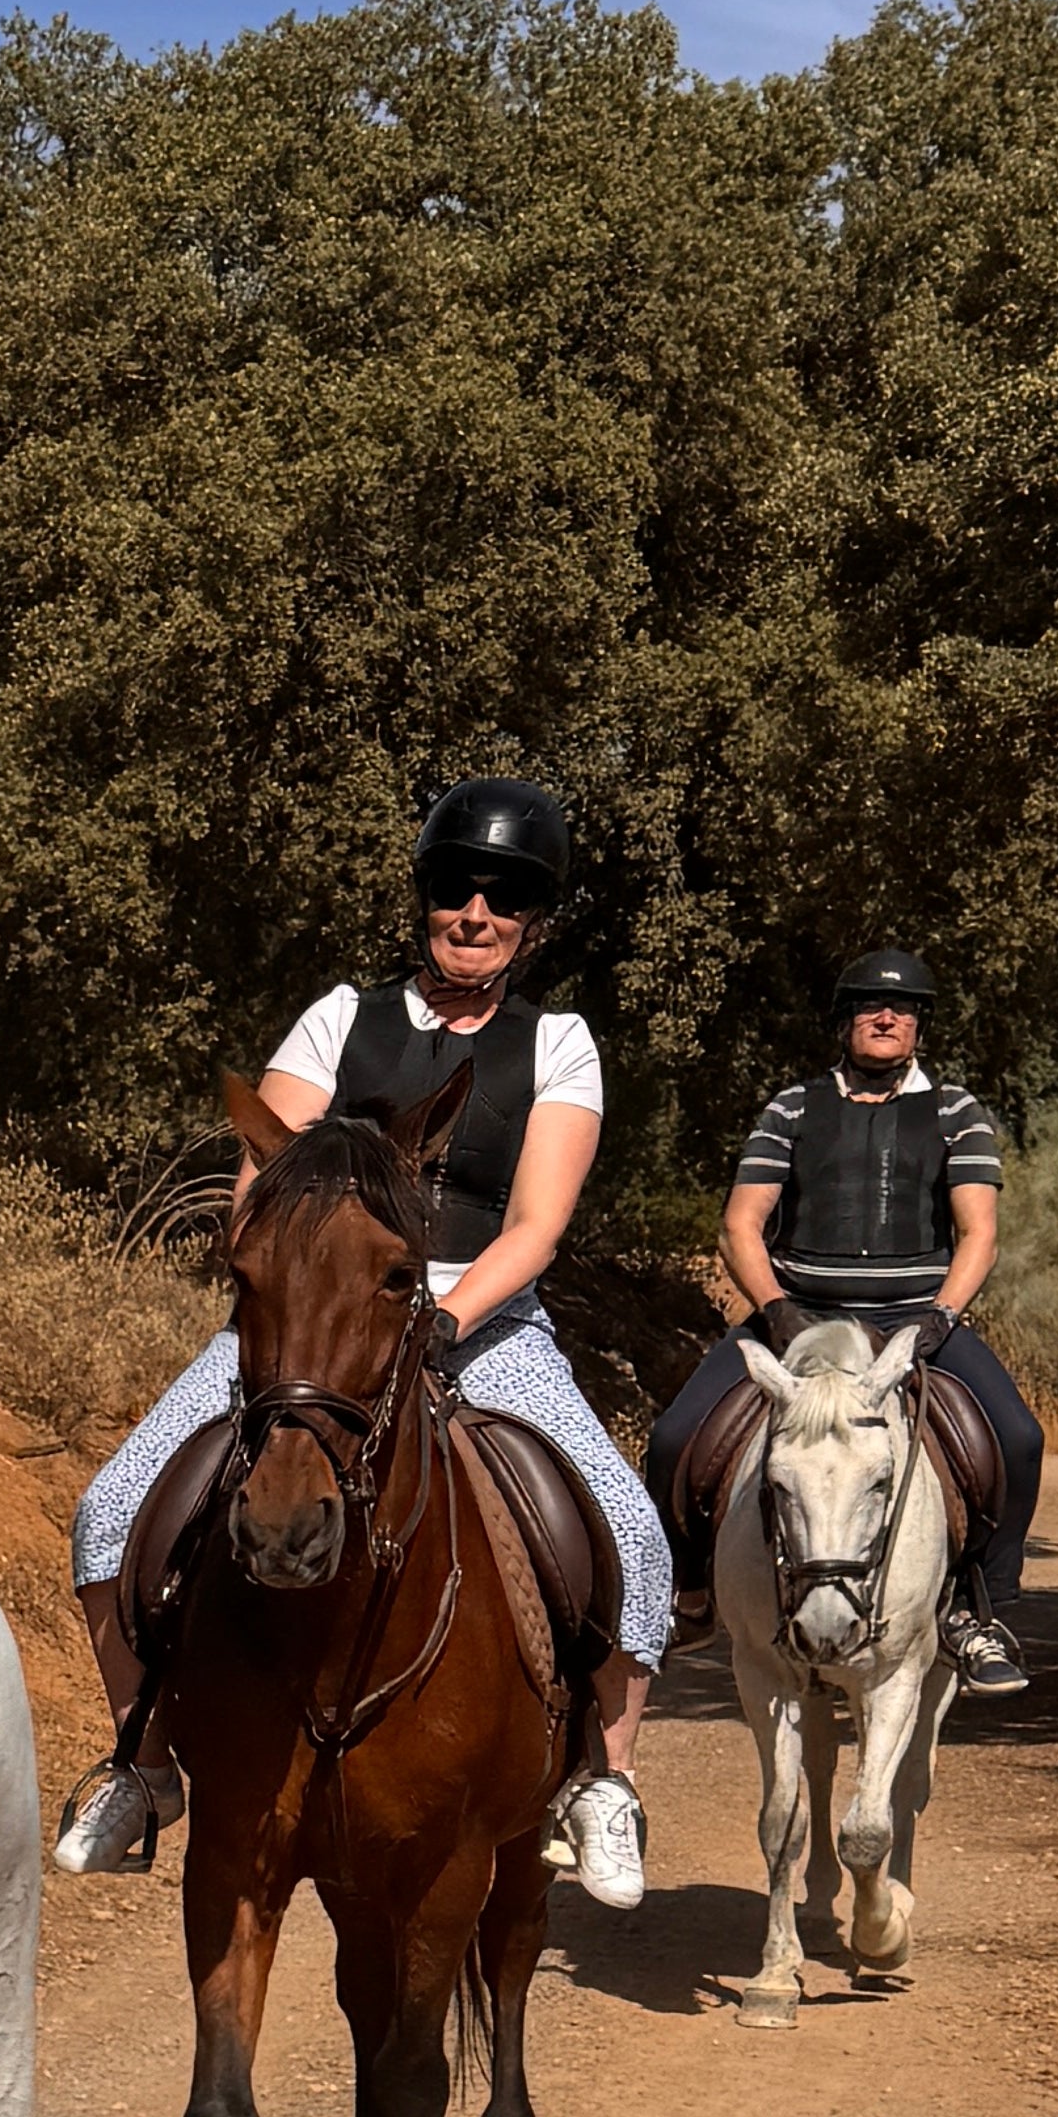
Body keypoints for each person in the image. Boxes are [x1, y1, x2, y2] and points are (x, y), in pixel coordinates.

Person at [53, 775, 677, 1907]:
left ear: (534, 923)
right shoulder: (340, 1018)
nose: (475, 914)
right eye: (456, 889)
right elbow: (259, 1181)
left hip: (478, 1319)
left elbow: (536, 1225)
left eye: (504, 897)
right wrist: (306, 1294)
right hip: (316, 1315)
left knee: (631, 1529)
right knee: (110, 1508)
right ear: (426, 898)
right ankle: (140, 1761)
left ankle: (605, 1782)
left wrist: (443, 1318)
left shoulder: (559, 1044)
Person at [640, 952, 1039, 1696]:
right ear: (843, 1020)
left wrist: (941, 1317)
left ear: (920, 1025)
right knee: (673, 1438)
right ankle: (688, 1594)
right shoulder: (792, 1108)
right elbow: (740, 1224)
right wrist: (775, 1310)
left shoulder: (956, 1112)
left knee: (1019, 1439)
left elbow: (978, 1232)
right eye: (869, 1007)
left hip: (914, 1318)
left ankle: (979, 1609)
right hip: (799, 1314)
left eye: (904, 1009)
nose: (887, 1018)